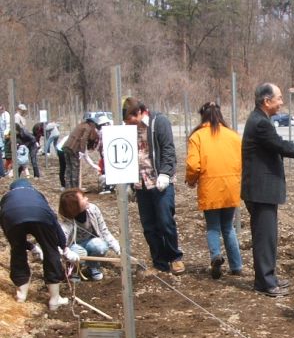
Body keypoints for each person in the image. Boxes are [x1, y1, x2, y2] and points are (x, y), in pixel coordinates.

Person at [241, 83, 294, 297]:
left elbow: (276, 144)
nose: (281, 102)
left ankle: (268, 276)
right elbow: (279, 145)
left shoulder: (260, 119)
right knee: (264, 237)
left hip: (260, 189)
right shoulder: (260, 123)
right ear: (266, 101)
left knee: (267, 236)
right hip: (261, 190)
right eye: (278, 98)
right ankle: (265, 282)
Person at [122, 97, 185, 275]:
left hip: (160, 182)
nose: (128, 124)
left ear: (139, 113)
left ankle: (175, 258)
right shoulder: (129, 130)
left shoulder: (159, 122)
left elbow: (168, 149)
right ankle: (159, 262)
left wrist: (165, 173)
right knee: (149, 225)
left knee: (165, 221)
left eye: (130, 120)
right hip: (141, 183)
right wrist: (129, 182)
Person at [186, 102, 243, 279]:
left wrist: (191, 180)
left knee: (213, 227)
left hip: (210, 187)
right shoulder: (233, 135)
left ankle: (215, 256)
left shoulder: (197, 136)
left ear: (202, 116)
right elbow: (243, 160)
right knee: (228, 227)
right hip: (231, 186)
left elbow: (193, 165)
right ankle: (236, 266)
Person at [0, 178, 75, 310]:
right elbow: (55, 223)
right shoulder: (37, 195)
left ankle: (21, 295)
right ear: (31, 188)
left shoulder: (6, 198)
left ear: (11, 190)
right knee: (50, 251)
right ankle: (54, 300)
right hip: (42, 216)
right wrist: (64, 246)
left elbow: (10, 234)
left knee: (17, 252)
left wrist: (30, 247)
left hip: (11, 217)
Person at [58, 188, 120, 281]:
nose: (87, 199)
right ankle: (74, 270)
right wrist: (67, 253)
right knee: (78, 252)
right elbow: (58, 244)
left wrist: (118, 250)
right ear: (74, 206)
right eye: (83, 197)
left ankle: (92, 266)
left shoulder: (93, 209)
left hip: (90, 242)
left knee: (100, 246)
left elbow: (104, 231)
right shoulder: (67, 221)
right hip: (74, 246)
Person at [62, 116, 100, 189]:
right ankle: (75, 189)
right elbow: (84, 139)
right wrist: (82, 151)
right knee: (75, 170)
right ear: (92, 123)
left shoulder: (80, 126)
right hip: (74, 149)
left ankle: (68, 188)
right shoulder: (87, 128)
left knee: (69, 169)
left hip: (66, 147)